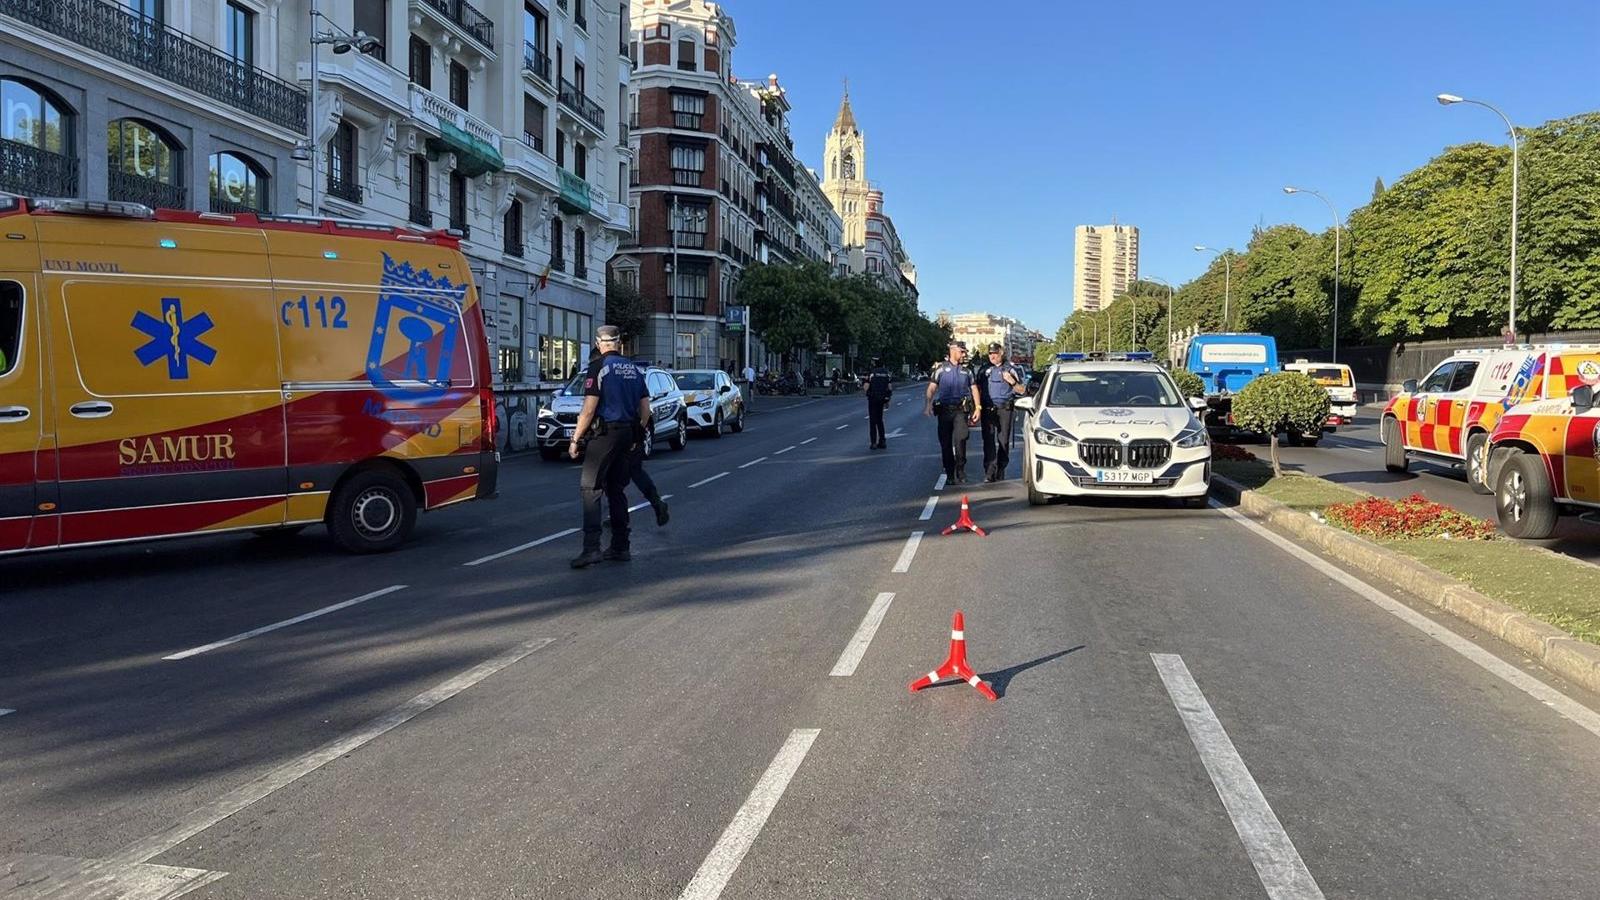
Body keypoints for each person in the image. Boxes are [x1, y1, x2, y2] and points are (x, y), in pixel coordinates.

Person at [569, 325, 651, 568]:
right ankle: (620, 546)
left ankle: (591, 548)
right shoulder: (634, 370)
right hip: (627, 434)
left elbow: (589, 408)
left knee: (590, 488)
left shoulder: (598, 367)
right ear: (619, 343)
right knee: (616, 489)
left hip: (605, 434)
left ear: (598, 343)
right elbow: (645, 408)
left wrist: (575, 439)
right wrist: (637, 432)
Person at [924, 341, 982, 483]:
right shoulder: (940, 369)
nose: (964, 354)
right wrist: (928, 404)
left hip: (960, 411)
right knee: (945, 443)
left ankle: (960, 469)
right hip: (944, 411)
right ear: (953, 351)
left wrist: (978, 407)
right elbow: (932, 388)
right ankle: (950, 473)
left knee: (961, 439)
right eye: (962, 352)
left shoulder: (966, 371)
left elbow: (974, 388)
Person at [975, 343, 1026, 482]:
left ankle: (1001, 468)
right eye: (990, 353)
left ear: (1001, 353)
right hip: (988, 409)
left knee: (1003, 441)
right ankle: (989, 472)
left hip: (1005, 409)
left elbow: (1022, 390)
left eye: (995, 353)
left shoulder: (1010, 369)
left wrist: (1013, 383)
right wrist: (976, 407)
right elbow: (976, 389)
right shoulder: (983, 370)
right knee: (988, 441)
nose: (992, 356)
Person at [862, 358, 893, 449]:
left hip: (873, 398)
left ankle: (873, 443)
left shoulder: (871, 373)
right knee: (880, 420)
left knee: (873, 421)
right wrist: (888, 400)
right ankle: (882, 441)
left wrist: (866, 392)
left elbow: (866, 386)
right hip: (882, 398)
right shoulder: (886, 373)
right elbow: (889, 387)